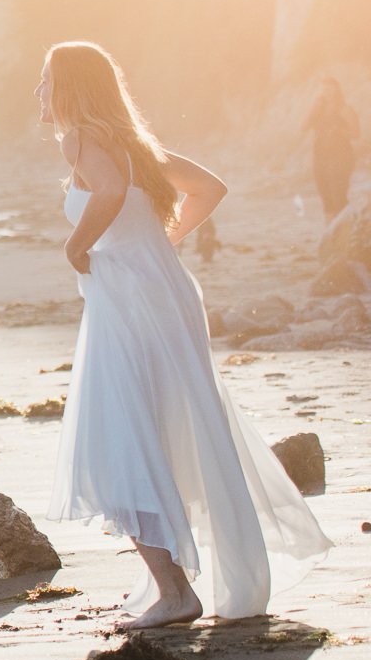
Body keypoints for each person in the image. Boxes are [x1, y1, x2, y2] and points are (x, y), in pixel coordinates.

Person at [36, 42, 328, 629]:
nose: (37, 92)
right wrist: (158, 246)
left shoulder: (82, 140)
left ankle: (176, 593)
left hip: (129, 299)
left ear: (69, 86)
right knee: (173, 421)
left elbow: (111, 195)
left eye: (44, 80)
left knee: (119, 432)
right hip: (163, 292)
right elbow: (210, 188)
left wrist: (76, 245)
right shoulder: (134, 146)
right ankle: (176, 584)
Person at [305, 77, 359, 220]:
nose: (326, 92)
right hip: (320, 156)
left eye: (329, 88)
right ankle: (330, 233)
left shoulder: (344, 109)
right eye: (323, 88)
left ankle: (346, 231)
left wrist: (339, 131)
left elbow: (356, 133)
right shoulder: (318, 109)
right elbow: (303, 127)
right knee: (325, 196)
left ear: (336, 89)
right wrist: (312, 111)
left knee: (338, 196)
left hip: (340, 157)